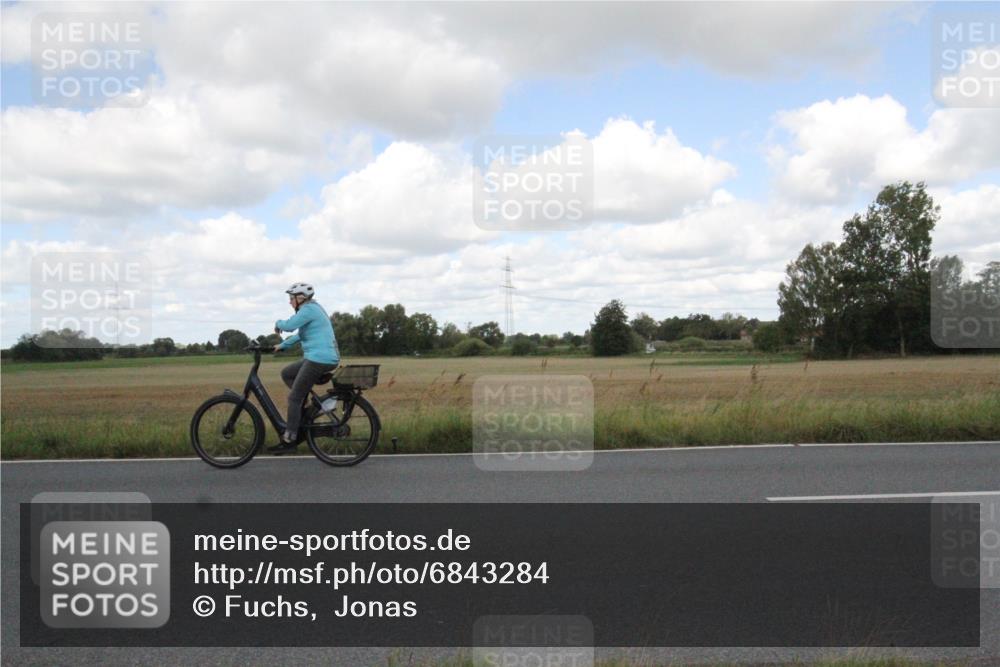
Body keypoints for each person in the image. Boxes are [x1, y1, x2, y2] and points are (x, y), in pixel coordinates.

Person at [268, 282, 339, 453]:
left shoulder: (309, 310)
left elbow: (289, 325)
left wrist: (278, 322)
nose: (290, 302)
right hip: (318, 358)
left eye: (291, 298)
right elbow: (301, 334)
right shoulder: (312, 310)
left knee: (294, 398)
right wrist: (283, 345)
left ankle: (290, 438)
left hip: (319, 359)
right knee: (287, 373)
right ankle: (304, 404)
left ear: (301, 298)